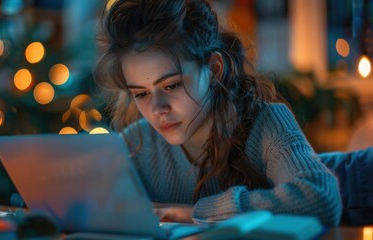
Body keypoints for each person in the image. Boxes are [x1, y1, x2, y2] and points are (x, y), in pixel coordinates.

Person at [93, 0, 342, 227]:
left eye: (171, 85)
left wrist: (197, 212)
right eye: (141, 94)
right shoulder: (134, 145)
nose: (157, 109)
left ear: (214, 69)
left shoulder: (266, 124)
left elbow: (320, 198)